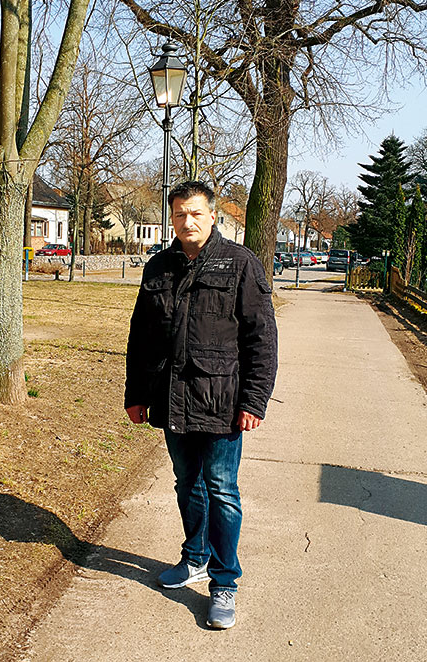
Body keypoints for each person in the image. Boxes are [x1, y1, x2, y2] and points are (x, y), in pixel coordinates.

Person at [125, 180, 277, 630]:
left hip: (222, 403)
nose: (186, 222)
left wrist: (253, 400)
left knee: (222, 491)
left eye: (194, 213)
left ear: (213, 216)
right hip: (171, 400)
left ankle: (224, 581)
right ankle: (193, 557)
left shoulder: (241, 264)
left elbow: (261, 340)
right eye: (178, 214)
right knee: (186, 484)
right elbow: (141, 338)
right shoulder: (158, 267)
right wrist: (136, 394)